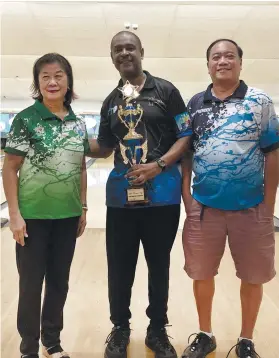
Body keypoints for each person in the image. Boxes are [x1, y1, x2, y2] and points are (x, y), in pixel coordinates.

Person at [87, 31, 191, 358]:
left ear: (141, 51)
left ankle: (157, 330)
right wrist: (69, 140)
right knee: (119, 268)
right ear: (112, 57)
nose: (124, 53)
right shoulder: (110, 101)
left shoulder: (167, 91)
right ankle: (120, 329)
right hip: (121, 198)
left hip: (163, 196)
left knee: (158, 266)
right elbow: (104, 147)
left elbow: (186, 135)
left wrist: (158, 165)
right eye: (117, 49)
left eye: (129, 47)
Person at [181, 39, 279, 358]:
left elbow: (273, 153)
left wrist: (268, 205)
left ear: (240, 62)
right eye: (216, 56)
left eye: (229, 56)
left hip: (251, 209)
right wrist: (188, 199)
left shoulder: (260, 101)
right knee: (201, 273)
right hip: (204, 210)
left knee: (253, 276)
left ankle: (246, 339)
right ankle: (206, 334)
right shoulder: (194, 103)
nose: (223, 61)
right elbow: (185, 153)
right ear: (207, 64)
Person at [3, 53, 90, 358]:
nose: (52, 82)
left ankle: (51, 341)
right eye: (45, 76)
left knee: (59, 283)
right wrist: (14, 214)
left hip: (66, 217)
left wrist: (83, 207)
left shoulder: (79, 125)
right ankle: (28, 347)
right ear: (38, 82)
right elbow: (10, 167)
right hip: (33, 217)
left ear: (68, 81)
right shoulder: (26, 119)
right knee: (30, 285)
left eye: (59, 75)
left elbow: (81, 168)